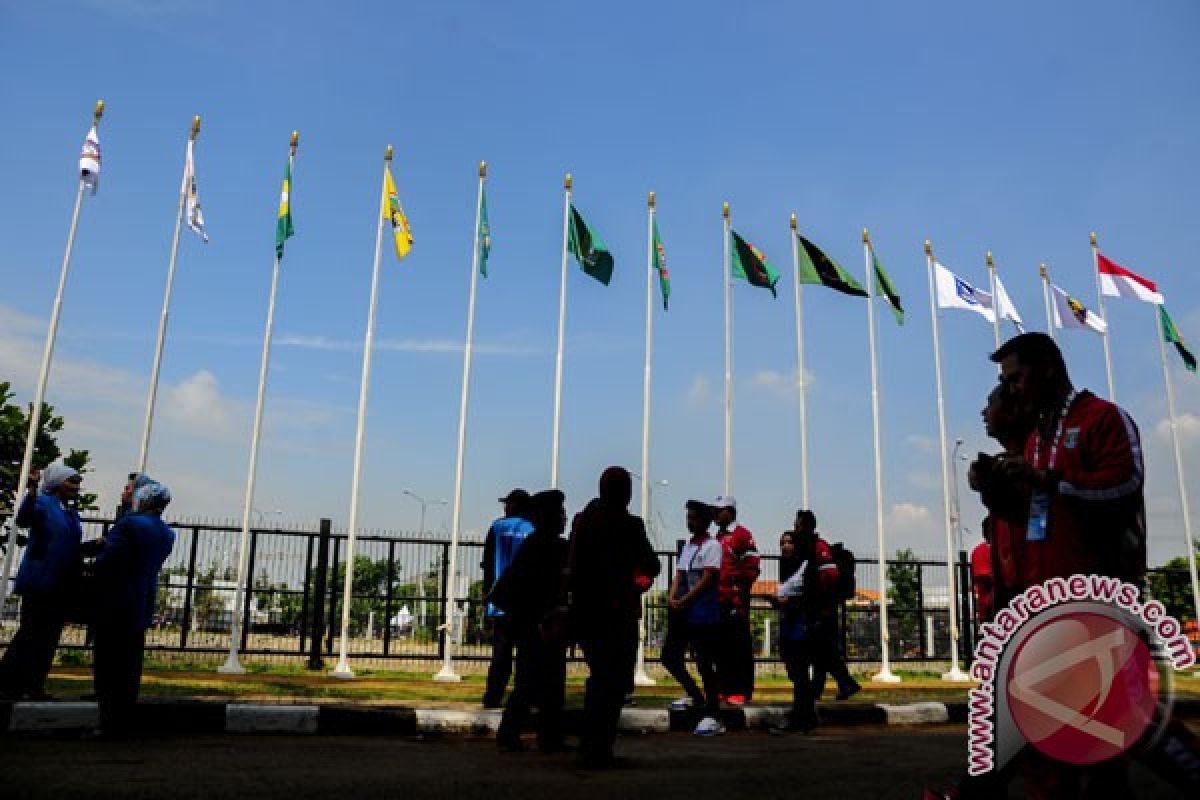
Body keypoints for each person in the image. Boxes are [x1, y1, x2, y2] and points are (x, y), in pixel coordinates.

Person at [567, 467, 661, 766]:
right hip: (619, 613)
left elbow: (572, 563)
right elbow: (652, 564)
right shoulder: (631, 525)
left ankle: (588, 746)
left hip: (587, 611)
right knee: (616, 682)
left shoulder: (584, 520)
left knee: (599, 679)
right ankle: (602, 746)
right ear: (626, 492)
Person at [0, 464, 96, 700]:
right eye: (71, 482)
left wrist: (92, 547)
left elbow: (69, 547)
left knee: (48, 638)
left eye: (77, 482)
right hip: (40, 581)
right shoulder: (42, 503)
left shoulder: (71, 513)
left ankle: (34, 685)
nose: (76, 487)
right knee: (31, 634)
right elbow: (23, 519)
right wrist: (31, 490)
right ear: (57, 482)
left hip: (62, 584)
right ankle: (9, 683)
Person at [90, 478, 176, 738]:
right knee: (129, 666)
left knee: (107, 666)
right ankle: (124, 719)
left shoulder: (129, 525)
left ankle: (108, 724)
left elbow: (107, 561)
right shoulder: (166, 532)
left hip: (115, 600)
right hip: (141, 601)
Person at [489, 489, 570, 754]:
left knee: (544, 683)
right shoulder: (544, 547)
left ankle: (543, 736)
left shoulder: (538, 545)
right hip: (537, 624)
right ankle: (518, 733)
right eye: (559, 512)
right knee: (535, 683)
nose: (563, 517)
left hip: (535, 624)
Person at [663, 500, 724, 736]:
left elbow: (708, 578)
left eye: (694, 518)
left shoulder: (712, 546)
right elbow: (679, 574)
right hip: (683, 611)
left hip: (703, 612)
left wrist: (685, 598)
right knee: (670, 656)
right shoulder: (689, 545)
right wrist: (671, 596)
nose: (690, 522)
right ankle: (696, 695)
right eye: (689, 517)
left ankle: (713, 712)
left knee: (705, 663)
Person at [795, 510, 860, 703]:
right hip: (817, 608)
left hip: (824, 610)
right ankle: (828, 687)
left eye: (798, 525)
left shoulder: (819, 547)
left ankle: (844, 683)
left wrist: (824, 602)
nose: (795, 528)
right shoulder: (808, 547)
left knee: (824, 651)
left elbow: (829, 574)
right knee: (821, 652)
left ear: (807, 526)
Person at [479, 488, 533, 709]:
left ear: (513, 506)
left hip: (501, 600)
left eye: (507, 503)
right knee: (526, 655)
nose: (504, 507)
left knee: (501, 654)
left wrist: (486, 592)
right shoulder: (533, 529)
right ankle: (523, 698)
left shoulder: (496, 527)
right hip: (527, 602)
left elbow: (488, 563)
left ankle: (493, 696)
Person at [769, 530, 820, 733]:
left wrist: (788, 602)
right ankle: (806, 715)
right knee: (795, 673)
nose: (785, 546)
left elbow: (810, 597)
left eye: (789, 542)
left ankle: (801, 718)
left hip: (801, 626)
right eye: (782, 543)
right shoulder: (786, 568)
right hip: (788, 625)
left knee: (799, 674)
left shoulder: (807, 567)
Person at [711, 496, 759, 705]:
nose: (715, 514)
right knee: (721, 647)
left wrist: (739, 591)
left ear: (730, 512)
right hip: (718, 599)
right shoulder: (718, 536)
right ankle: (724, 687)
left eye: (719, 510)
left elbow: (752, 566)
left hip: (735, 600)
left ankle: (741, 689)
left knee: (739, 647)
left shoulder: (741, 535)